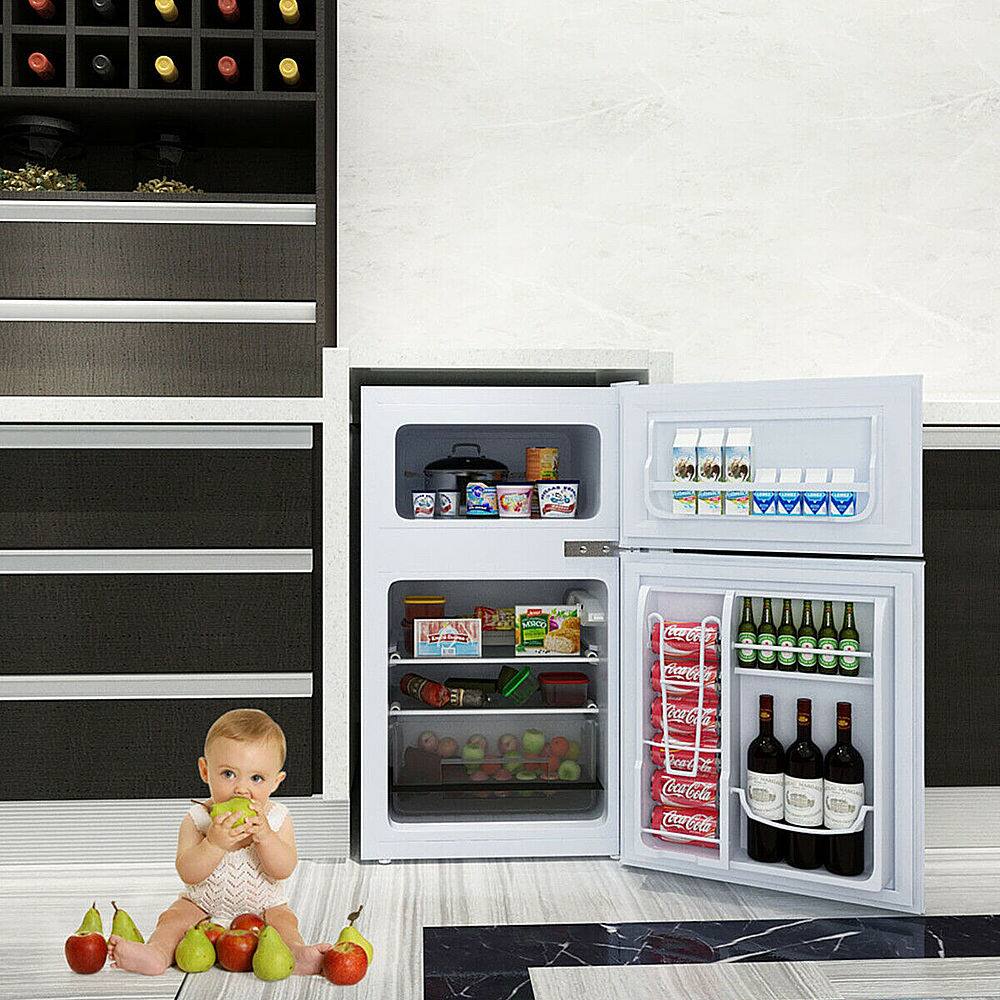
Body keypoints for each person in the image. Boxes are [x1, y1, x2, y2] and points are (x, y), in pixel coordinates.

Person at [107, 708, 333, 976]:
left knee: (285, 922)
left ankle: (295, 954)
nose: (241, 789)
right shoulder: (197, 819)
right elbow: (188, 873)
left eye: (256, 778)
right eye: (228, 774)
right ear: (205, 771)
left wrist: (266, 838)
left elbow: (283, 869)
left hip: (265, 908)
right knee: (173, 918)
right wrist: (213, 844)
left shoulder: (276, 819)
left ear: (276, 782)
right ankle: (157, 953)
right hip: (202, 905)